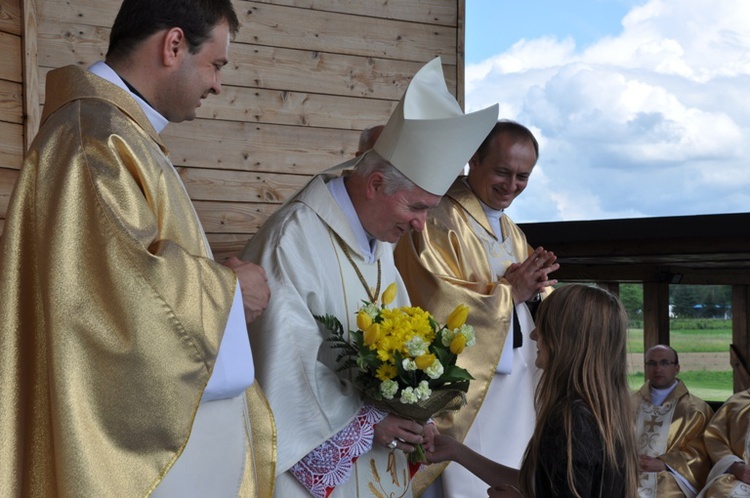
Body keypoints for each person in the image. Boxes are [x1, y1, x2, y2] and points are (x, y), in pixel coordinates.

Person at [0, 1, 275, 496]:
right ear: (173, 46)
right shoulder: (96, 141)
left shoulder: (113, 132)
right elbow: (120, 300)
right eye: (216, 64)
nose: (218, 84)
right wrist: (231, 290)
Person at [240, 57, 499, 497]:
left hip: (378, 467)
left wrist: (418, 406)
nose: (421, 226)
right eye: (415, 207)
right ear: (375, 184)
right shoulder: (294, 239)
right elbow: (283, 367)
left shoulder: (377, 238)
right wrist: (368, 423)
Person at [394, 120, 558, 497]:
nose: (511, 185)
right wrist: (508, 293)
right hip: (468, 390)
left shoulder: (512, 231)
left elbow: (524, 303)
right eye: (502, 171)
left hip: (515, 385)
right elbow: (433, 299)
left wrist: (540, 292)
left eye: (523, 176)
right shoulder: (437, 219)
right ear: (473, 160)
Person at [425, 284, 639, 498]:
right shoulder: (600, 411)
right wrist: (457, 452)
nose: (534, 334)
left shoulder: (573, 420)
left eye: (544, 326)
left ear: (567, 338)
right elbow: (542, 484)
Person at [634, 345, 713, 497]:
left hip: (670, 477)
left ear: (677, 368)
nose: (658, 368)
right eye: (652, 363)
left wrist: (665, 464)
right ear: (645, 367)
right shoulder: (627, 404)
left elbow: (702, 453)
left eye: (664, 362)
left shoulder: (697, 410)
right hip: (628, 472)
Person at [697, 389, 750, 497]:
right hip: (742, 479)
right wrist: (735, 466)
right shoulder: (736, 404)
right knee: (720, 490)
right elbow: (715, 438)